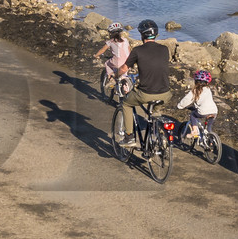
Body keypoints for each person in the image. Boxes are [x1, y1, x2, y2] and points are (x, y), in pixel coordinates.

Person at [116, 19, 170, 148]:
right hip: (166, 93)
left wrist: (115, 75)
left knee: (126, 104)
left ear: (142, 35)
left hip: (146, 94)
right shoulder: (164, 49)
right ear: (155, 35)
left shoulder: (137, 51)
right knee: (155, 112)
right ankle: (158, 134)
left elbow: (124, 69)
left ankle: (129, 137)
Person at [177, 69, 217, 142]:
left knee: (193, 114)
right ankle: (211, 142)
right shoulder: (208, 89)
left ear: (195, 81)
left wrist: (180, 106)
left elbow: (187, 100)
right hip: (214, 111)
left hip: (203, 111)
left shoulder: (195, 91)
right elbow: (203, 101)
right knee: (209, 128)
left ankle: (194, 131)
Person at [92, 22, 131, 88]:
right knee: (124, 74)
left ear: (111, 33)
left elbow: (102, 50)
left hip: (118, 62)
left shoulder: (110, 41)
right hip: (128, 62)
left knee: (107, 63)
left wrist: (96, 55)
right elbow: (129, 51)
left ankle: (112, 79)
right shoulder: (125, 40)